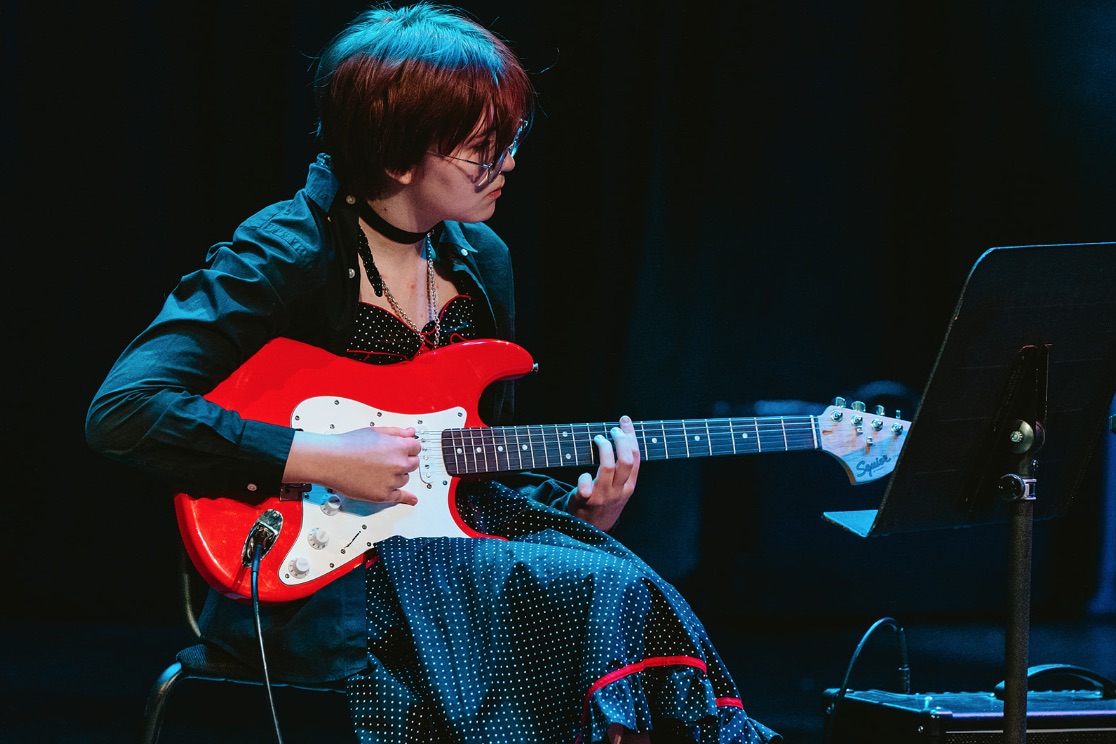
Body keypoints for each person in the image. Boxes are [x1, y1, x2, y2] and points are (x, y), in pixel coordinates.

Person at [85, 3, 781, 742]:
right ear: (397, 155)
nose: (507, 163)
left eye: (510, 139)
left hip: (452, 547)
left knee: (620, 593)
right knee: (601, 594)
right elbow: (124, 409)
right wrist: (317, 457)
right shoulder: (287, 251)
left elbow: (476, 465)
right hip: (329, 572)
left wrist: (582, 511)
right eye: (483, 149)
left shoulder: (482, 263)